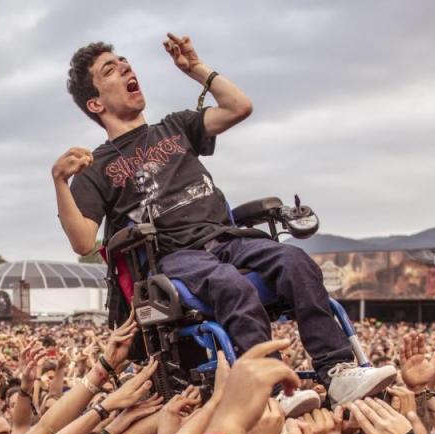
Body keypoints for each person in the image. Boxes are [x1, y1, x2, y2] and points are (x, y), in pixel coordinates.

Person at [53, 35, 396, 404]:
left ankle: (337, 370)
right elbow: (83, 242)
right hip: (176, 257)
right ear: (96, 103)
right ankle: (273, 389)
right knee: (230, 284)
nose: (124, 67)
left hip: (227, 237)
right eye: (110, 69)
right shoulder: (97, 167)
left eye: (123, 61)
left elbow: (239, 107)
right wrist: (59, 181)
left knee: (295, 260)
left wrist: (196, 69)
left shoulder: (175, 126)